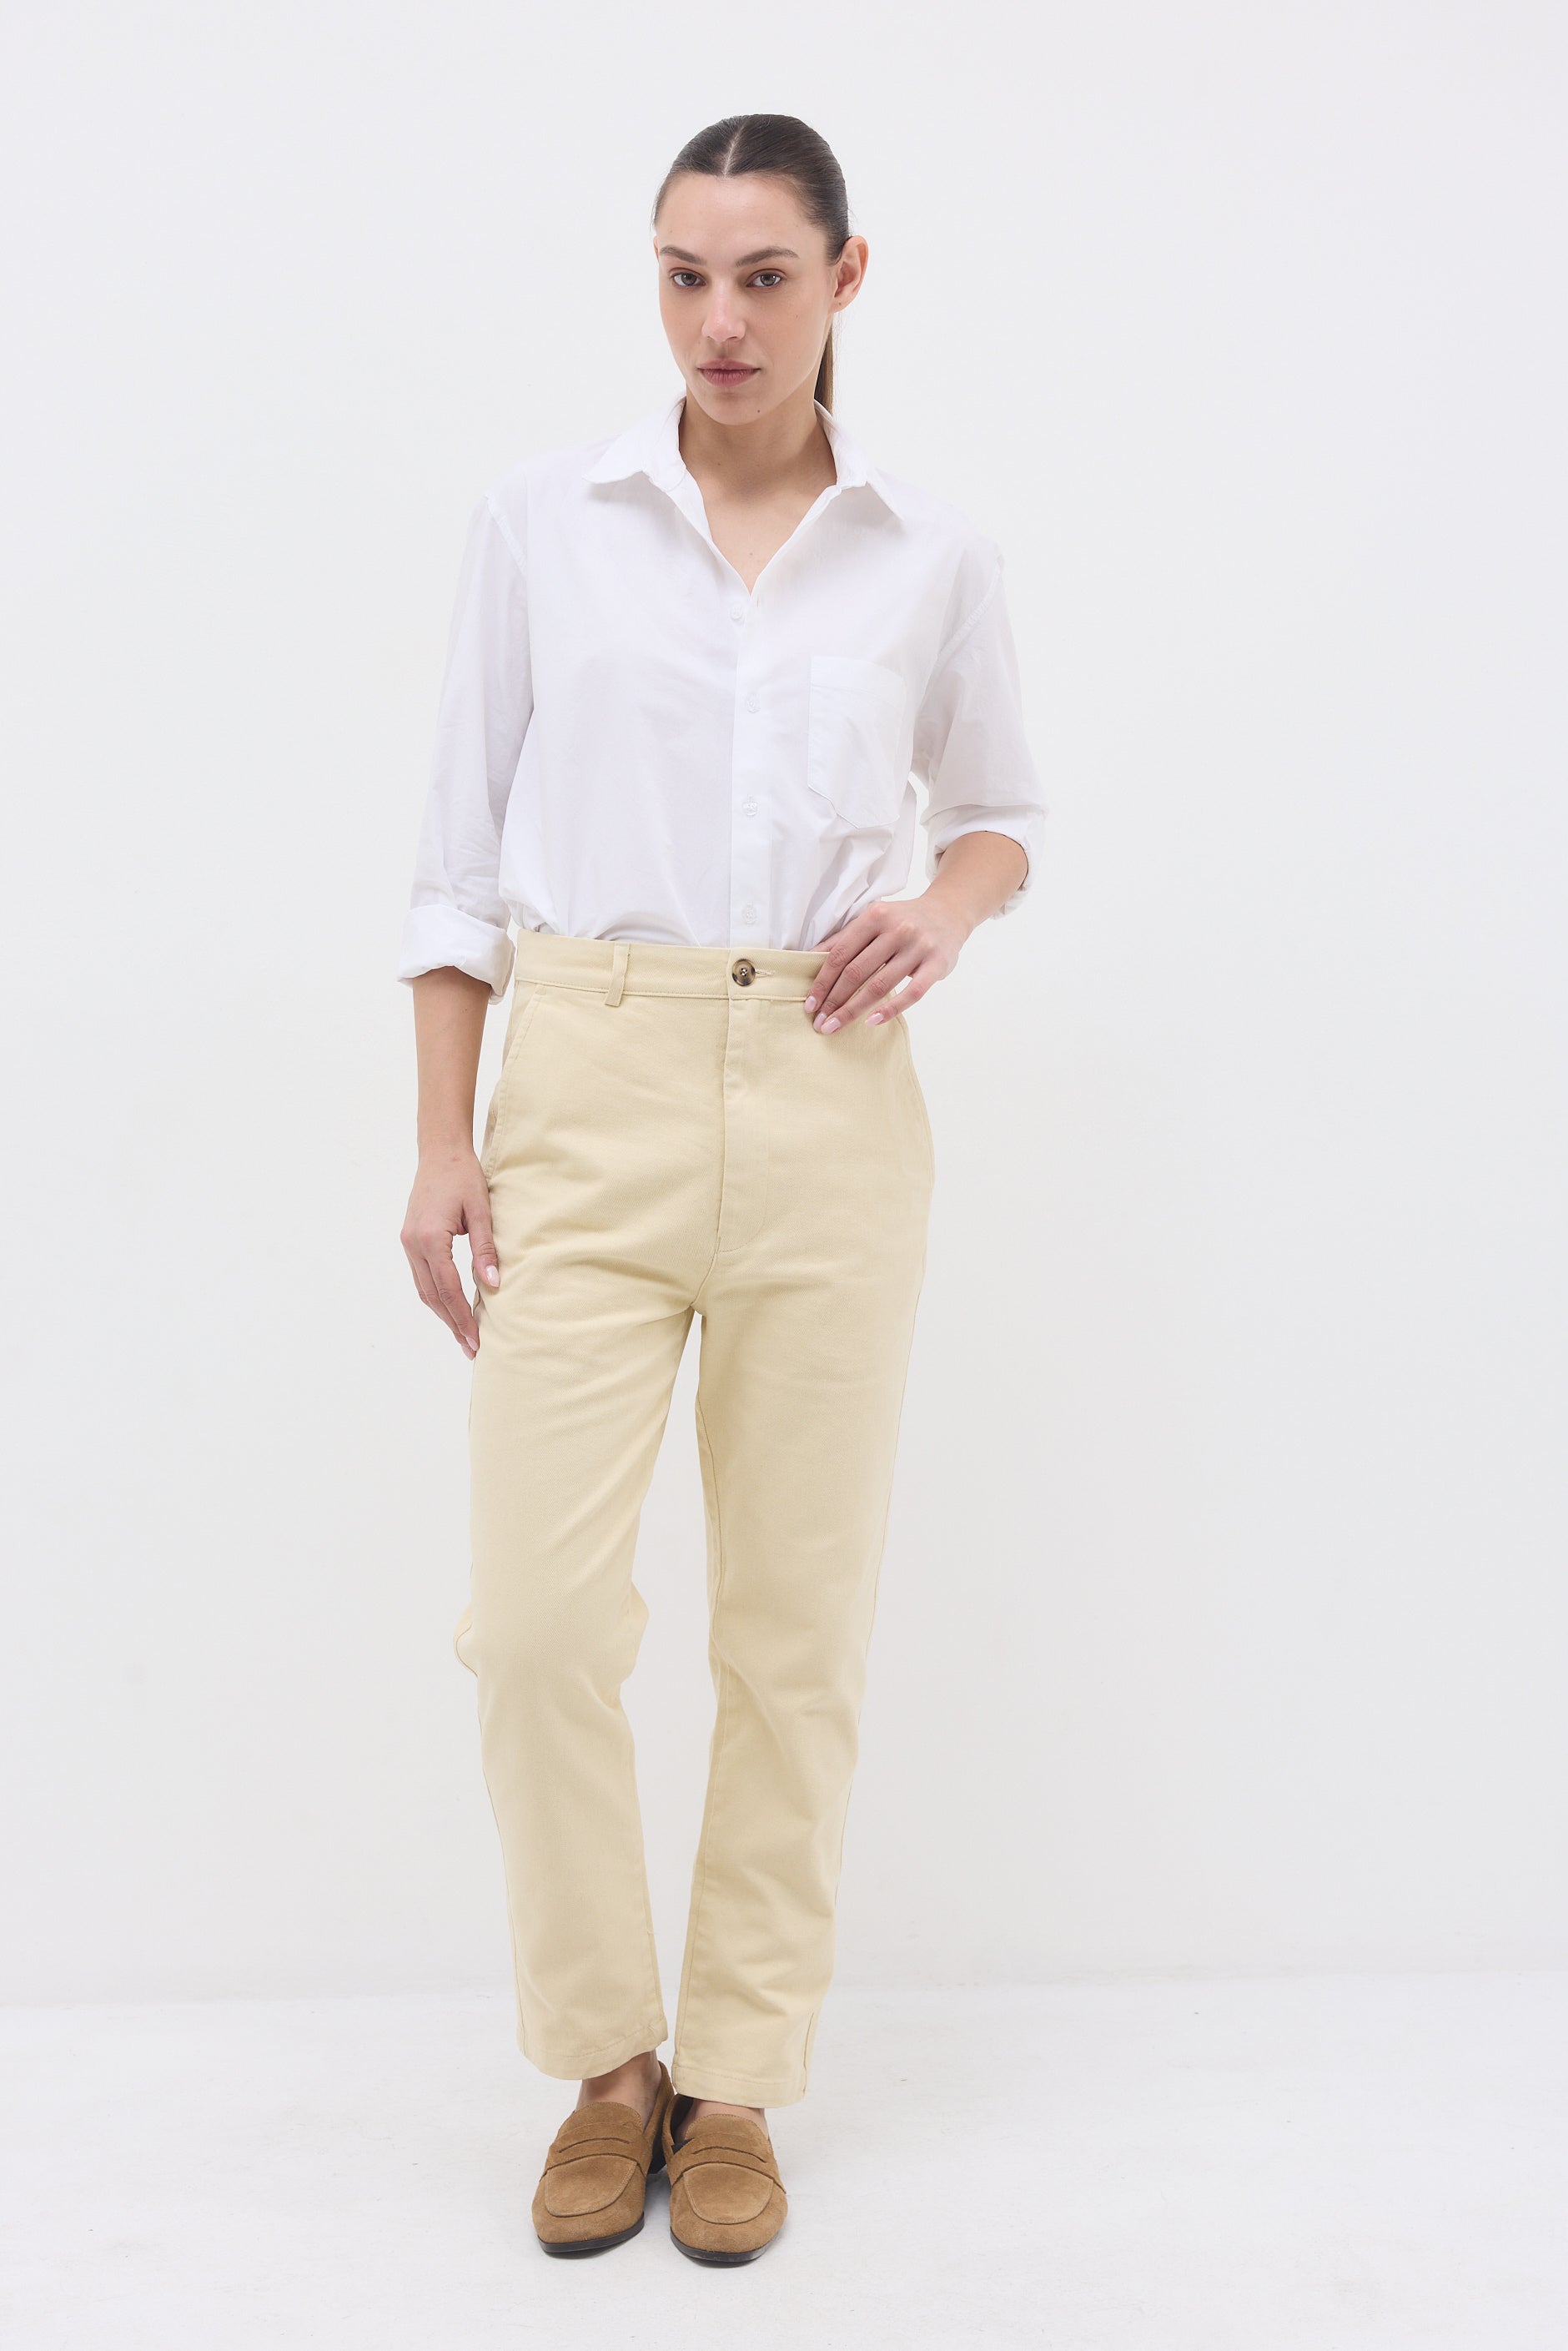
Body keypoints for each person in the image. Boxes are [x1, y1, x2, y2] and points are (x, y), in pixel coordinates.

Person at [397, 112, 1046, 2266]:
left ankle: (740, 2072)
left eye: (766, 276)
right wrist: (442, 1141)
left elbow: (1003, 812)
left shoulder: (925, 551)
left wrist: (945, 905)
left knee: (795, 1626)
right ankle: (610, 2064)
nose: (720, 322)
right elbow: (455, 861)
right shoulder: (545, 522)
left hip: (833, 1097)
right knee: (535, 1624)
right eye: (685, 275)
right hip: (584, 1085)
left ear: (848, 280)